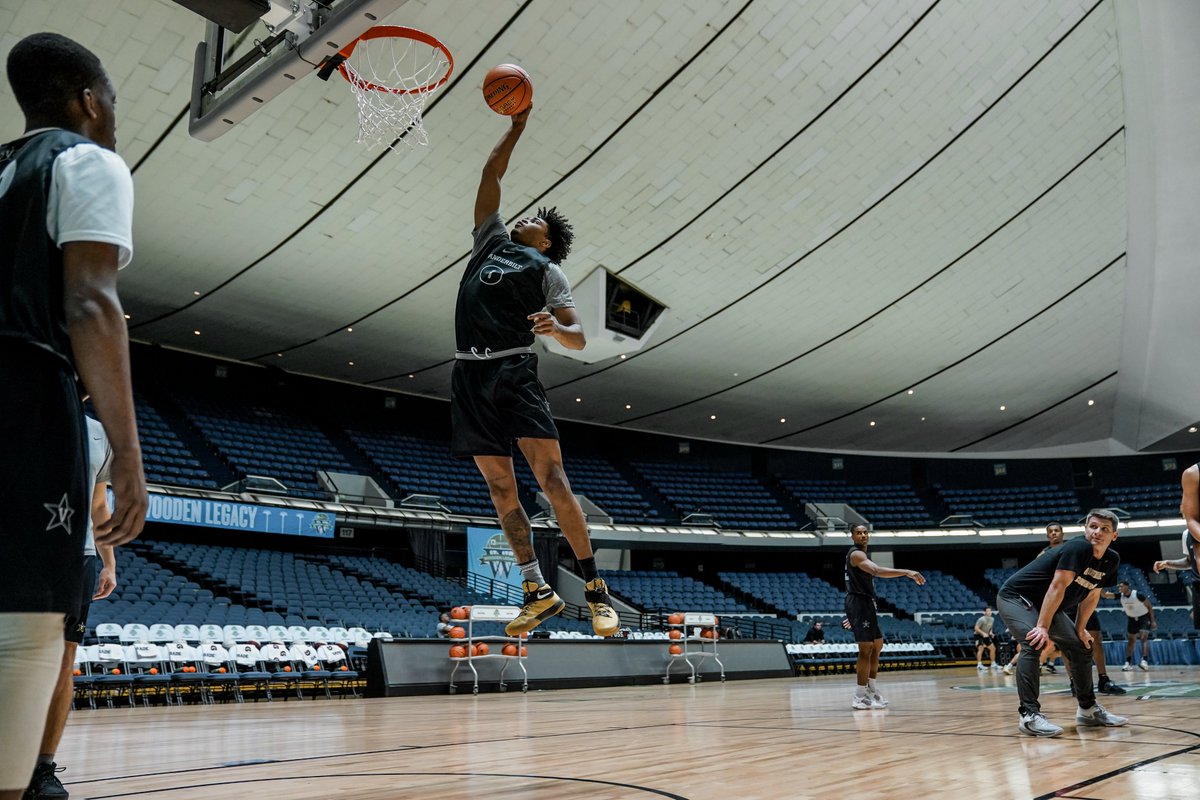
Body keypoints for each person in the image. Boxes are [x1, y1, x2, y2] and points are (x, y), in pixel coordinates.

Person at [1, 32, 147, 800]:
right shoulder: (84, 160)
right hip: (24, 393)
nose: (113, 117)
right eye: (112, 101)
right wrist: (125, 452)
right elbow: (92, 301)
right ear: (89, 102)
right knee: (30, 626)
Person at [452, 106, 617, 639]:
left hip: (514, 373)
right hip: (469, 376)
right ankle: (534, 590)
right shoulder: (489, 241)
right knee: (501, 489)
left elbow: (578, 337)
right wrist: (517, 127)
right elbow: (490, 175)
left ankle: (595, 590)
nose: (523, 219)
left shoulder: (549, 271)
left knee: (551, 480)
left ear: (545, 242)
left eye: (535, 224)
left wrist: (553, 330)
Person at [26, 416, 116, 799]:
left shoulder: (100, 432)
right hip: (23, 550)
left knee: (64, 663)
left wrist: (108, 561)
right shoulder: (21, 400)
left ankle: (42, 769)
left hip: (77, 558)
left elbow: (98, 503)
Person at [996, 510, 1129, 737]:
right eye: (1093, 527)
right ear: (1085, 529)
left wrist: (1079, 629)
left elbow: (1092, 595)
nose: (1097, 532)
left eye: (1104, 529)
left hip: (1047, 604)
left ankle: (1088, 710)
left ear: (1114, 536)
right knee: (1034, 642)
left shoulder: (1111, 560)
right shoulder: (1078, 548)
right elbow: (1057, 587)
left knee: (1080, 646)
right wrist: (1042, 627)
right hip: (1017, 597)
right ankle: (1029, 715)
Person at [844, 524, 925, 709]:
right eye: (859, 533)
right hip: (858, 603)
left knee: (877, 645)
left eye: (865, 532)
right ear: (852, 537)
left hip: (866, 602)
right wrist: (906, 572)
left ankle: (871, 689)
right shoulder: (856, 554)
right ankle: (858, 696)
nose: (863, 535)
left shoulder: (862, 553)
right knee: (866, 649)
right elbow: (877, 571)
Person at [1099, 581, 1154, 671]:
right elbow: (1105, 595)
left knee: (1143, 638)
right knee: (1131, 641)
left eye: (1121, 586)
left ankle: (1144, 661)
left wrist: (1153, 621)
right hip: (1132, 619)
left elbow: (1149, 606)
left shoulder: (1138, 594)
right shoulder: (1120, 596)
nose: (1119, 588)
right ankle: (1128, 663)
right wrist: (1099, 585)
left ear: (1127, 586)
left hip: (1143, 618)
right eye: (1118, 587)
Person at [974, 606, 1000, 671]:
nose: (989, 612)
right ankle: (979, 664)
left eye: (990, 611)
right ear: (985, 612)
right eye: (988, 611)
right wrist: (983, 633)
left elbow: (990, 628)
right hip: (978, 635)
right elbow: (976, 628)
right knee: (981, 648)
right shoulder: (981, 619)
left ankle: (993, 664)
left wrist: (991, 633)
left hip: (986, 636)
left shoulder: (992, 619)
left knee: (993, 648)